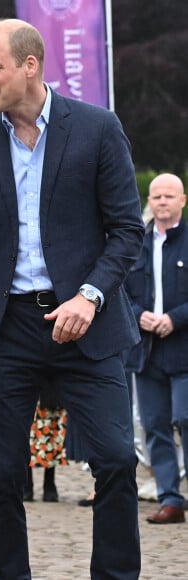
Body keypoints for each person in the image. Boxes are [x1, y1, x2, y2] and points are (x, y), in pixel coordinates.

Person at [0, 18, 144, 579]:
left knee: (116, 460)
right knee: (2, 474)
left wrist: (89, 296)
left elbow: (126, 231)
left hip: (87, 323)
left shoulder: (97, 128)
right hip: (7, 327)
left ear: (30, 66)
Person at [124, 172, 188, 524]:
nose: (162, 202)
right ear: (148, 201)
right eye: (156, 196)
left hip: (182, 346)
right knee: (155, 424)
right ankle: (170, 498)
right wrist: (139, 316)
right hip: (146, 350)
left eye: (169, 196)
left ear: (182, 201)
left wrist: (174, 318)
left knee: (185, 418)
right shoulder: (136, 244)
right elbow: (120, 290)